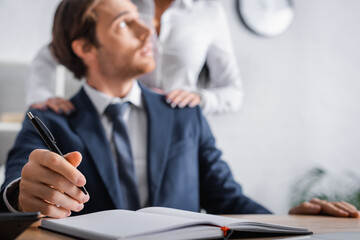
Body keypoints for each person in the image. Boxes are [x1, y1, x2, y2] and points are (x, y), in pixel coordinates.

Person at [1, 0, 358, 219]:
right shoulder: (49, 119)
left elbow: (227, 198)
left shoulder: (185, 112)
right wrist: (22, 195)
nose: (148, 31)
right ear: (85, 48)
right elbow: (15, 187)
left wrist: (289, 221)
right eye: (126, 23)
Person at [26, 0, 243, 115]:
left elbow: (233, 91)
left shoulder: (209, 12)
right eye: (126, 23)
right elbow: (51, 54)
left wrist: (200, 99)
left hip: (180, 123)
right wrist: (41, 99)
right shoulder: (118, 4)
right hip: (115, 117)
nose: (146, 32)